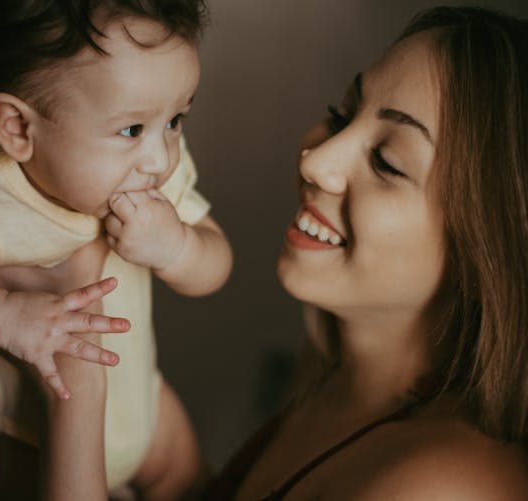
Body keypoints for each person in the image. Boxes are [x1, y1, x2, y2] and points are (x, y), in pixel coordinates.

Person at [43, 5, 528, 500]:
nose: (315, 159)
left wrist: (73, 384)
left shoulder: (446, 489)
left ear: (487, 249)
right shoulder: (328, 373)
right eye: (341, 113)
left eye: (387, 161)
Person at [0, 0, 232, 499]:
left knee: (201, 489)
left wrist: (179, 247)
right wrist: (3, 318)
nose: (160, 157)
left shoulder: (145, 171)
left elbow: (216, 267)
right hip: (32, 439)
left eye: (176, 120)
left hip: (145, 406)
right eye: (132, 129)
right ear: (18, 128)